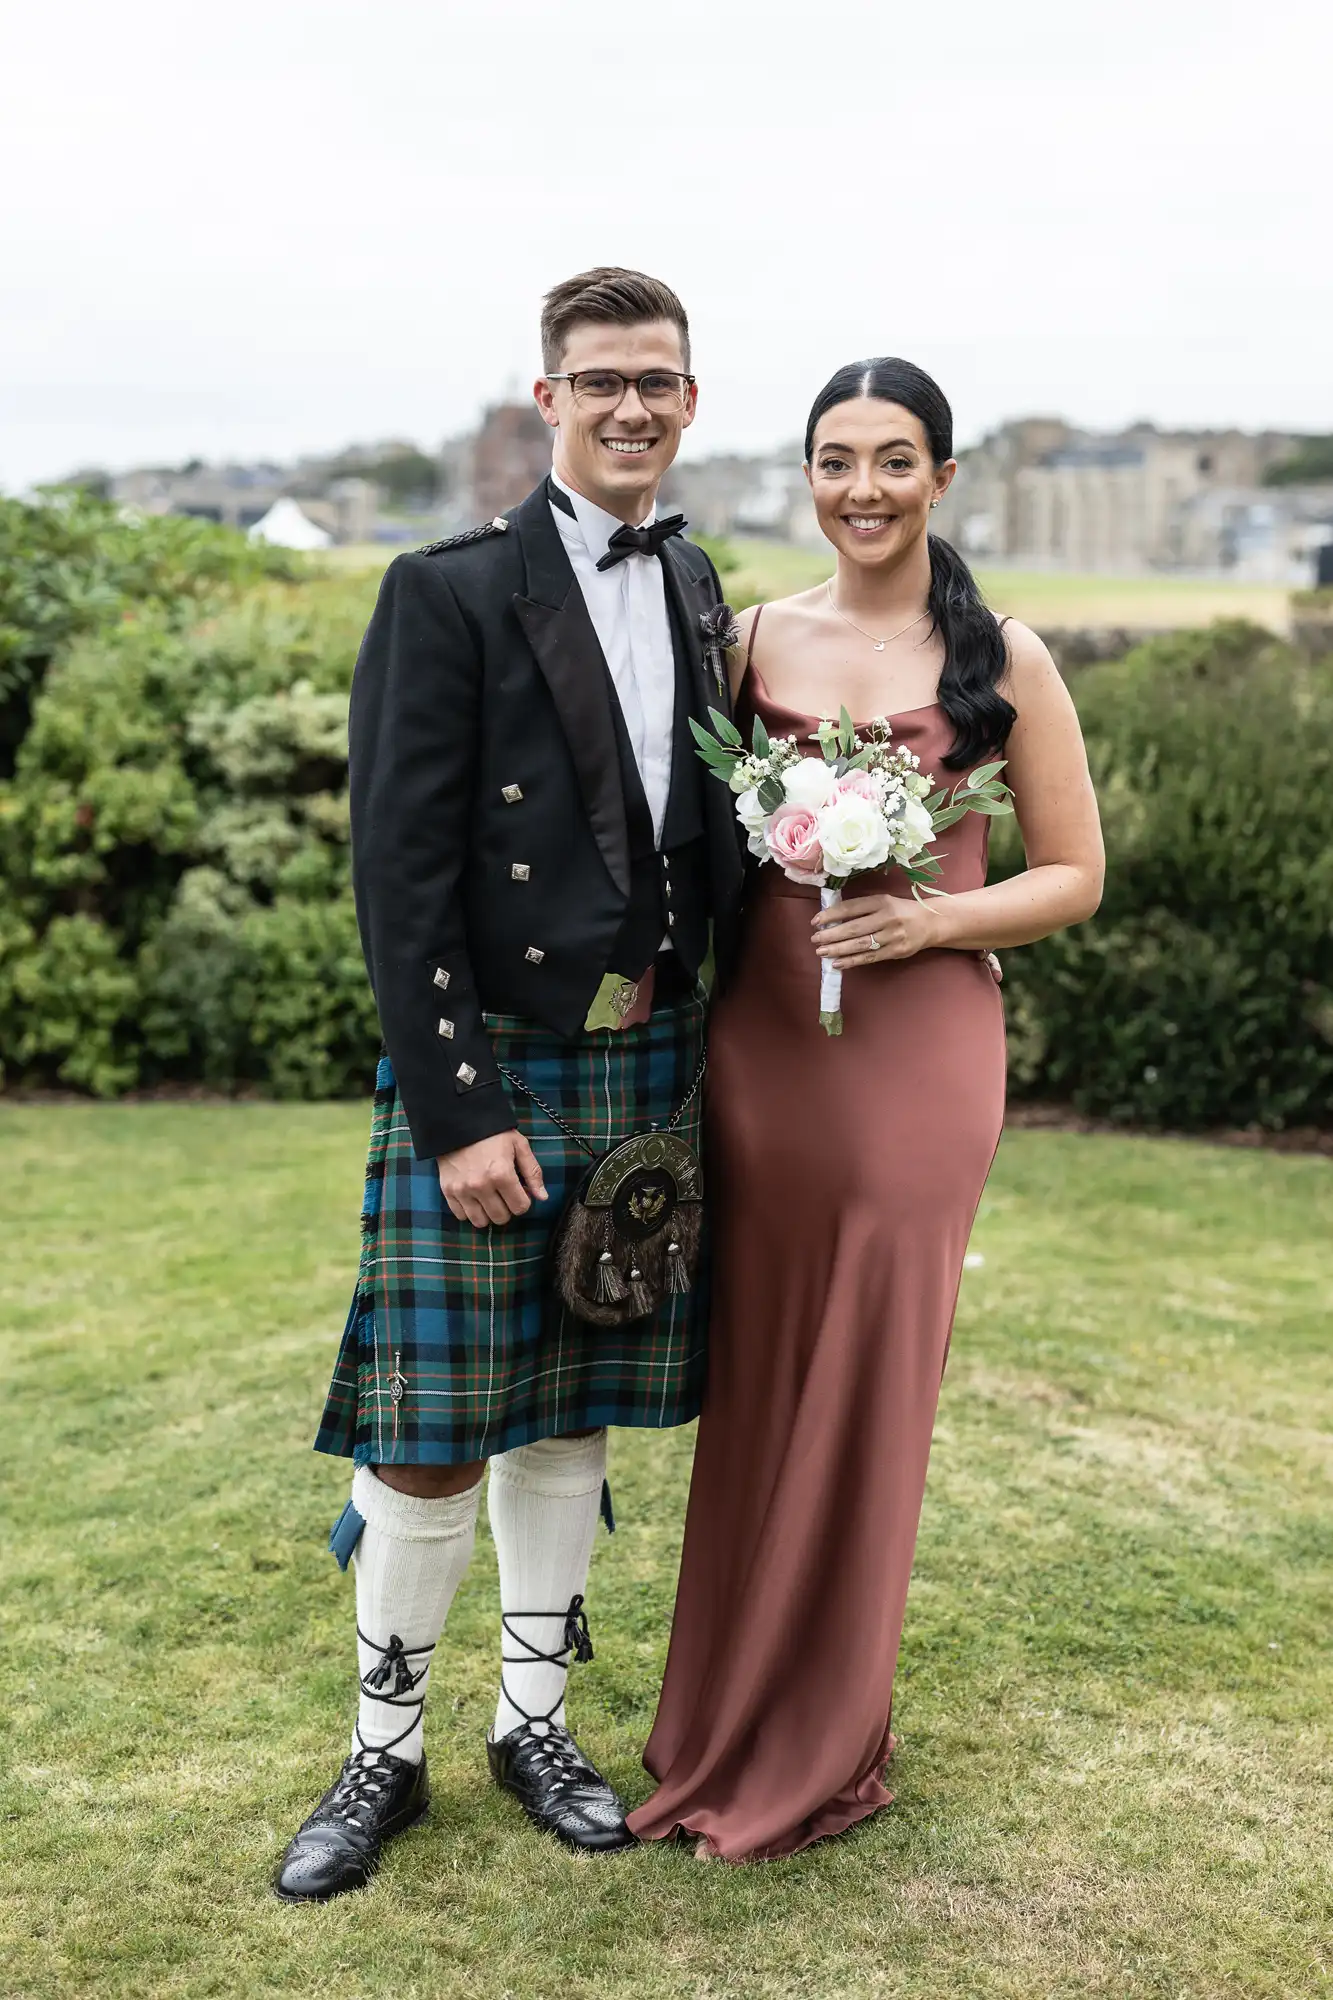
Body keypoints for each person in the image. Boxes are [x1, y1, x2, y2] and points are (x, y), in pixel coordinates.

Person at [273, 267, 743, 1901]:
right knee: (428, 1433)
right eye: (603, 379)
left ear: (691, 402)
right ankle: (380, 1754)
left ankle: (531, 1724)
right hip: (498, 1060)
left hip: (649, 1056)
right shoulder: (449, 590)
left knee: (577, 1406)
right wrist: (462, 1108)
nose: (633, 407)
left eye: (660, 382)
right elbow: (397, 878)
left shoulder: (696, 587)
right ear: (548, 398)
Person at [627, 357, 1105, 1862]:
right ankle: (714, 1722)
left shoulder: (1004, 656)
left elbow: (1073, 874)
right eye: (838, 460)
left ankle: (824, 1738)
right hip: (767, 1050)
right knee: (761, 1376)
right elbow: (675, 836)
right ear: (808, 474)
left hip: (919, 1060)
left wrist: (931, 926)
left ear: (943, 479)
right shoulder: (752, 633)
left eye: (896, 461)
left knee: (871, 1391)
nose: (864, 489)